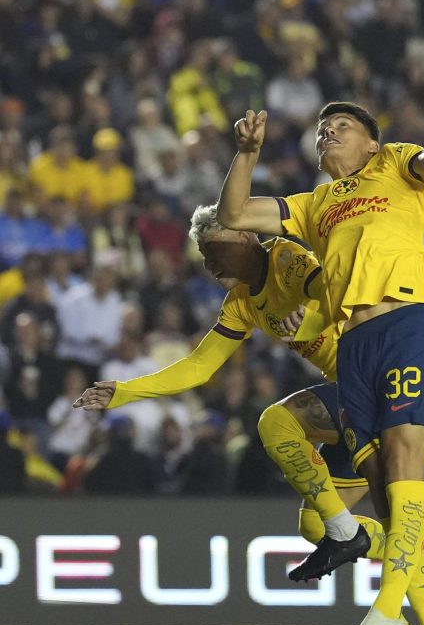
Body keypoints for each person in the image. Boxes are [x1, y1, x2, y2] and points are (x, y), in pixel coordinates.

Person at [215, 102, 424, 625]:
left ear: (373, 145)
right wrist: (247, 153)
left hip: (404, 326)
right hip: (353, 346)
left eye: (343, 127)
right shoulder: (314, 206)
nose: (328, 133)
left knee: (405, 467)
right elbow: (234, 211)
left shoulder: (395, 166)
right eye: (322, 129)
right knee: (384, 490)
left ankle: (385, 612)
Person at [74, 204, 383, 559]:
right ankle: (423, 555)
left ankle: (348, 535)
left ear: (247, 236)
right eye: (205, 254)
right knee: (315, 526)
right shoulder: (240, 304)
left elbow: (337, 291)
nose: (211, 263)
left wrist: (311, 318)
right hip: (348, 396)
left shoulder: (284, 256)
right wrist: (125, 391)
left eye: (217, 249)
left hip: (373, 375)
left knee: (277, 423)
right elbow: (199, 366)